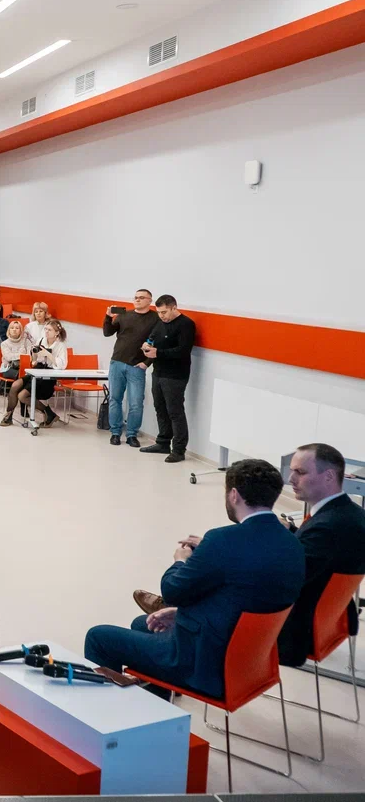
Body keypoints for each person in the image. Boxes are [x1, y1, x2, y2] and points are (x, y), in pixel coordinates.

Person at [84, 459, 304, 699]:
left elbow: (172, 591)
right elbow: (246, 596)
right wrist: (184, 614)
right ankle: (158, 706)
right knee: (143, 623)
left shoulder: (222, 539)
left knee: (99, 637)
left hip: (206, 668)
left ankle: (110, 716)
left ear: (233, 495)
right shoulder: (293, 543)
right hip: (251, 663)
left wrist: (181, 561)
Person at [278, 443, 365, 666]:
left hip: (295, 631)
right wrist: (291, 532)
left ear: (328, 477)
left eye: (300, 472)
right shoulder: (350, 514)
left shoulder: (326, 528)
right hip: (329, 621)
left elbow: (285, 579)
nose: (290, 479)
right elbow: (319, 554)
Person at [139, 295, 197, 464]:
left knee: (175, 412)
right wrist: (147, 345)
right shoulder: (160, 322)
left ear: (174, 307)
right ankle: (163, 442)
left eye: (164, 312)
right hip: (158, 372)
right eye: (159, 312)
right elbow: (151, 338)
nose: (161, 315)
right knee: (160, 409)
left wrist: (158, 353)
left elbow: (183, 350)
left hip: (175, 375)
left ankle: (178, 450)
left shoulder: (186, 324)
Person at [104, 290, 159, 447]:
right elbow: (107, 333)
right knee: (115, 398)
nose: (137, 300)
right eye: (135, 298)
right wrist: (108, 317)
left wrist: (147, 362)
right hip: (117, 362)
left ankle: (131, 434)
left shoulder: (155, 319)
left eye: (141, 298)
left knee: (136, 402)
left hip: (137, 365)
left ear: (149, 301)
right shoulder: (124, 315)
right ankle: (115, 432)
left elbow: (158, 342)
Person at [1, 319, 68, 428]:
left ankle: (48, 412)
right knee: (15, 385)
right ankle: (8, 416)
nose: (46, 332)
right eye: (46, 329)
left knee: (22, 396)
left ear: (56, 333)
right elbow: (34, 359)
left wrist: (48, 354)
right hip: (37, 370)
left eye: (49, 330)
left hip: (48, 375)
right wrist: (34, 355)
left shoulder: (60, 346)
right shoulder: (41, 340)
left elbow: (62, 365)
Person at [0, 320, 32, 397]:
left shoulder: (26, 342)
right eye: (12, 328)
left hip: (24, 367)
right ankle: (21, 395)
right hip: (9, 368)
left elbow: (29, 356)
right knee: (23, 376)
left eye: (17, 328)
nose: (14, 330)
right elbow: (8, 357)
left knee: (27, 374)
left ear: (21, 330)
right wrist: (21, 354)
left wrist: (17, 356)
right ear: (9, 330)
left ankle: (20, 395)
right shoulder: (4, 344)